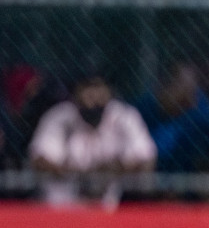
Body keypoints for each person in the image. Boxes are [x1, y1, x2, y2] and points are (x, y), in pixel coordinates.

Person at [30, 71, 156, 205]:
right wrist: (83, 177)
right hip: (63, 207)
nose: (94, 96)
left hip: (113, 206)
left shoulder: (125, 116)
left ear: (109, 92)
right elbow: (41, 160)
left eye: (99, 88)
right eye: (88, 88)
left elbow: (145, 158)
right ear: (76, 93)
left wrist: (109, 171)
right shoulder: (59, 116)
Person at [133, 61, 209, 174]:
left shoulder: (199, 117)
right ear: (168, 87)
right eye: (187, 90)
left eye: (194, 90)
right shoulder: (143, 111)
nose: (193, 98)